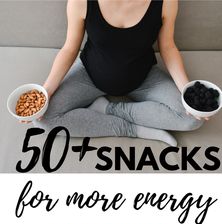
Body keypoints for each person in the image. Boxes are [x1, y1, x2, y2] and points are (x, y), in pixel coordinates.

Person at [38, 0, 204, 145]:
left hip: (144, 77)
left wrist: (186, 90)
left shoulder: (167, 1)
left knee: (192, 118)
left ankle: (109, 109)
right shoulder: (80, 1)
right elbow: (69, 49)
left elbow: (168, 47)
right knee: (43, 118)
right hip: (89, 75)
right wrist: (46, 91)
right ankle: (130, 129)